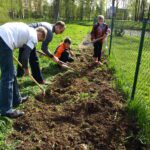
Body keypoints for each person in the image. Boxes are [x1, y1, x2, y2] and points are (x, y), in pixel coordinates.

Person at [0, 22, 47, 118]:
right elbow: (25, 56)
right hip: (5, 41)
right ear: (40, 34)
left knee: (12, 72)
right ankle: (6, 110)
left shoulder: (27, 28)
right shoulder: (34, 36)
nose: (37, 42)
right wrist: (26, 68)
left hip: (3, 38)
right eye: (40, 40)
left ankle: (17, 99)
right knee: (8, 76)